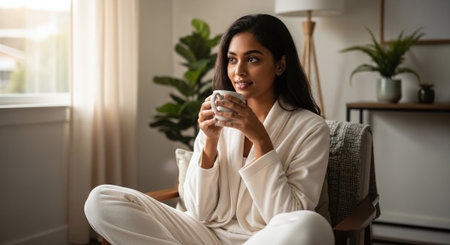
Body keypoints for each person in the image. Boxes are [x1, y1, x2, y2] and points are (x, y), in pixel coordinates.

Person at [84, 14, 334, 245]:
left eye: (253, 59)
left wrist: (260, 138)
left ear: (280, 65)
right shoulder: (218, 118)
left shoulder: (311, 129)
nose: (239, 71)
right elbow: (198, 211)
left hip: (265, 238)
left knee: (311, 225)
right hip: (204, 235)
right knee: (100, 199)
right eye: (232, 59)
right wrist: (210, 144)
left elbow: (286, 215)